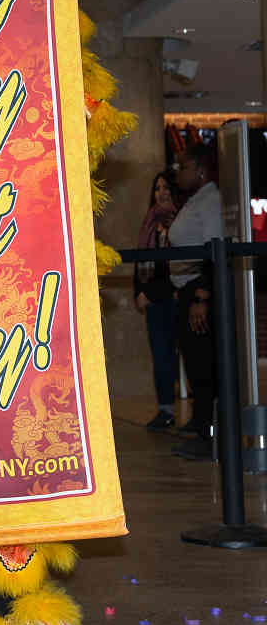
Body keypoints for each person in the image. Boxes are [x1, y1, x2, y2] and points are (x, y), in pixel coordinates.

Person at [168, 143, 223, 461]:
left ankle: (207, 435)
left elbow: (213, 252)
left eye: (183, 166)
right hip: (188, 291)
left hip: (200, 293)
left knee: (204, 366)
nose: (178, 172)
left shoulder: (210, 200)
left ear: (200, 170)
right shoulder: (196, 200)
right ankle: (201, 426)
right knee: (195, 363)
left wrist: (201, 296)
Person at [137, 171, 180, 432]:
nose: (160, 193)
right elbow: (141, 260)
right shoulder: (149, 223)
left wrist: (149, 293)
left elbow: (173, 268)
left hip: (173, 297)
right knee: (161, 356)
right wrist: (139, 292)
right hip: (155, 303)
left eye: (165, 188)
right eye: (157, 188)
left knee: (180, 356)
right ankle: (165, 410)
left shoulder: (181, 220)